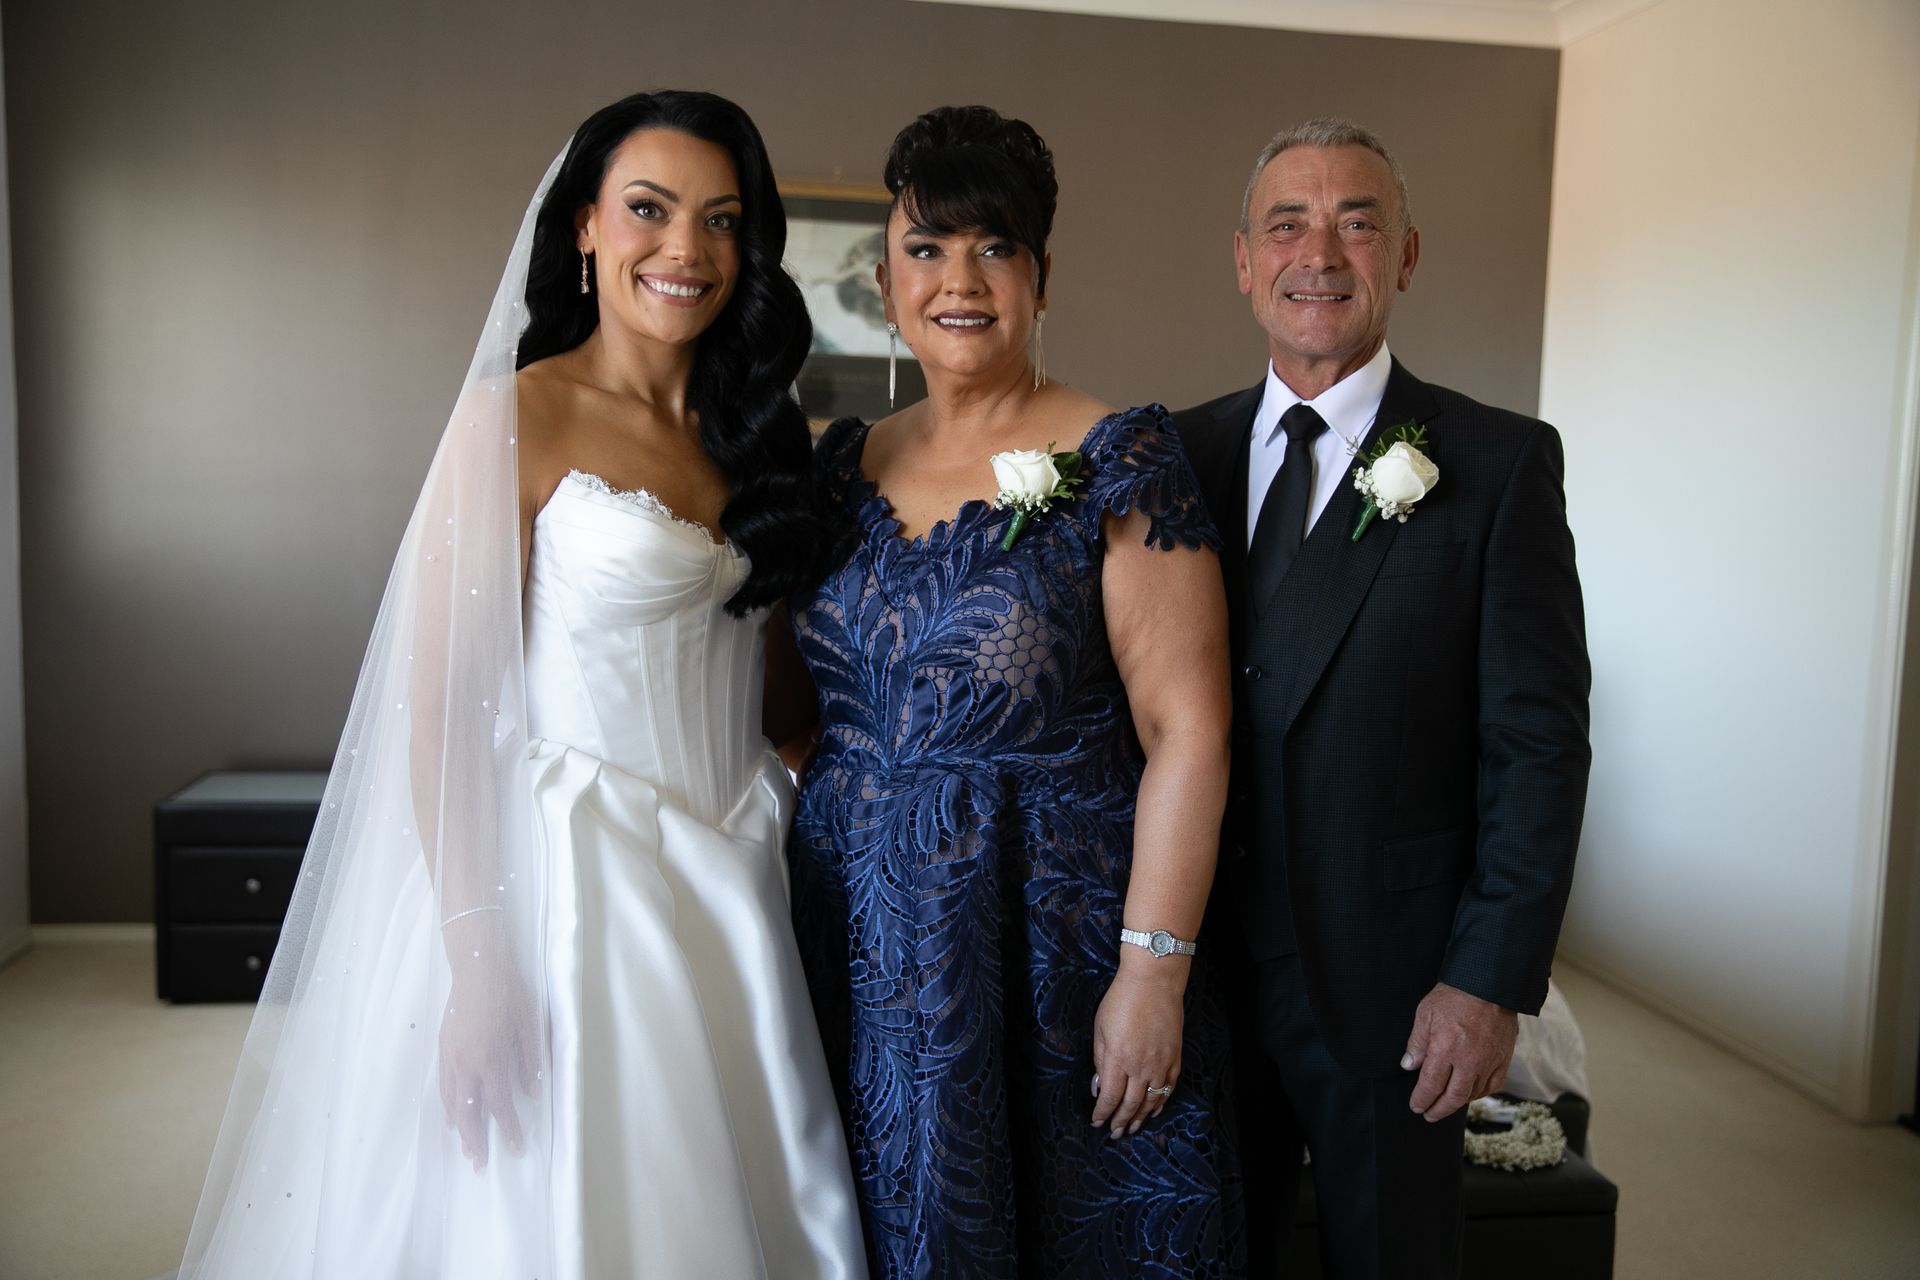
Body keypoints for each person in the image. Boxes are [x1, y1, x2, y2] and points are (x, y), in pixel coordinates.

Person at [178, 91, 867, 1279]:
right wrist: (479, 960)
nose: (685, 247)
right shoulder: (518, 415)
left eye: (720, 218)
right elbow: (444, 704)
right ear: (587, 226)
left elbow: (777, 692)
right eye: (648, 208)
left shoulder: (762, 436)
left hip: (739, 867)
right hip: (572, 880)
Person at [783, 105, 1243, 1278]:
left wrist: (1153, 970)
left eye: (995, 247)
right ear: (885, 282)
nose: (960, 279)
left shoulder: (1119, 457)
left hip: (1046, 951)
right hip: (855, 938)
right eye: (927, 248)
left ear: (1042, 278)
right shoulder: (838, 467)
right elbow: (798, 713)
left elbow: (1188, 730)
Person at [1173, 118, 1591, 1277]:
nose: (1320, 253)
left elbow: (1539, 747)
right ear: (1244, 259)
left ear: (1404, 255)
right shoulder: (1177, 454)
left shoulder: (1499, 464)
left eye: (1357, 223)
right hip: (1200, 976)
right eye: (1287, 225)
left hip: (1396, 988)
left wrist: (1487, 980)